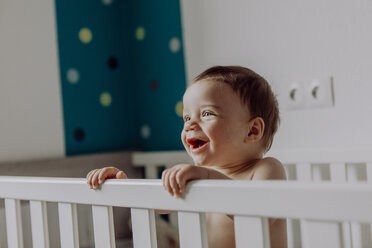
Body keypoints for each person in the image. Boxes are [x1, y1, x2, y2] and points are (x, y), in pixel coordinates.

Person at [86, 65, 287, 248]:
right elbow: (156, 203)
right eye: (187, 117)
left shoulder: (266, 169)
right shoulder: (199, 176)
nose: (189, 125)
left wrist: (207, 177)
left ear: (252, 131)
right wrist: (123, 187)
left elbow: (260, 213)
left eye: (207, 114)